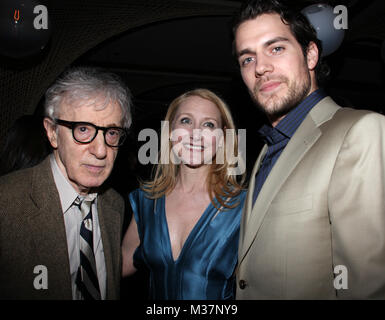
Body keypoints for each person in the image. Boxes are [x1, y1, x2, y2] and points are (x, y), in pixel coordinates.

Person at [233, 0, 385, 299]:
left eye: (276, 48)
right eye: (247, 59)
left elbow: (367, 286)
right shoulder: (267, 150)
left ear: (311, 54)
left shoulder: (360, 130)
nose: (260, 67)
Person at [0, 67, 132, 299]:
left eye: (111, 133)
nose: (101, 151)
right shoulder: (7, 202)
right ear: (52, 132)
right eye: (83, 129)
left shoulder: (114, 205)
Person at [121, 88, 246, 299]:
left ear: (223, 137)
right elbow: (118, 265)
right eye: (186, 121)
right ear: (170, 131)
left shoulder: (243, 206)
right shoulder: (147, 201)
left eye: (208, 124)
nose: (195, 133)